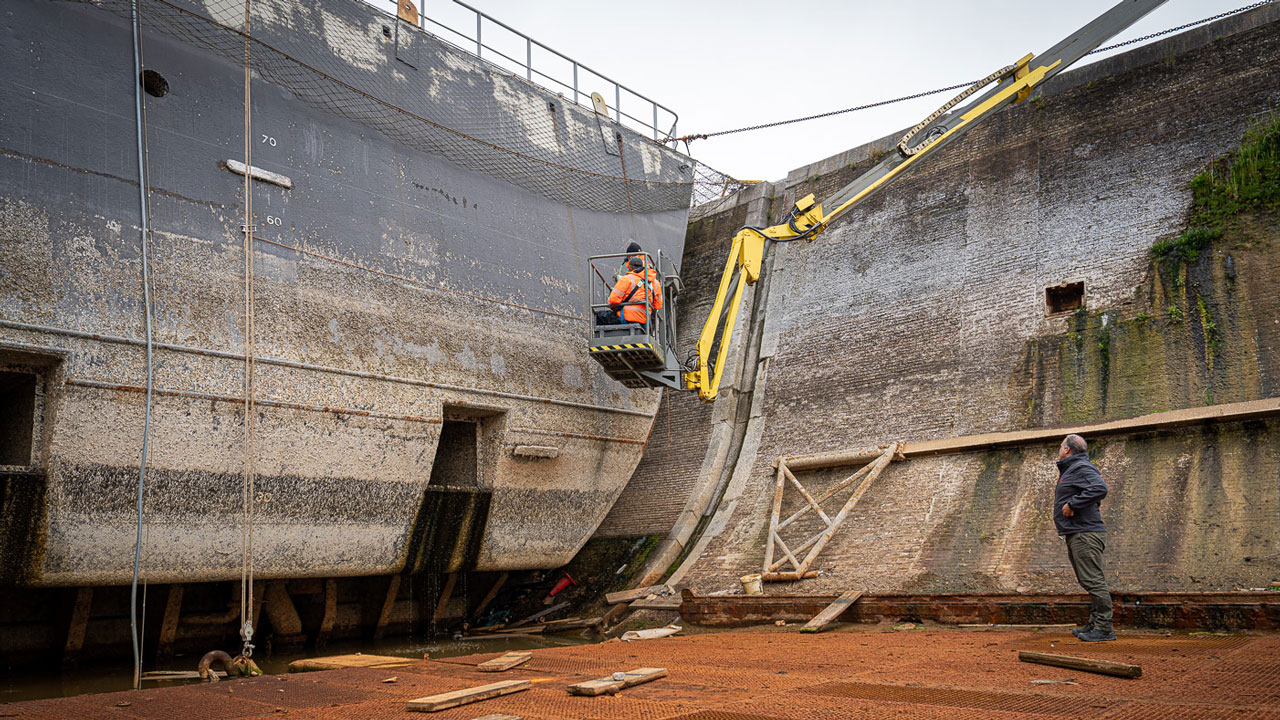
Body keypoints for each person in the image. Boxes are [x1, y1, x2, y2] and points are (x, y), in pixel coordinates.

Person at [1054, 434, 1115, 642]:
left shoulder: (1080, 467)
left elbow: (1100, 488)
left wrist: (1072, 505)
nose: (1059, 449)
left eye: (1061, 446)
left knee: (1093, 580)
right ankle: (1095, 623)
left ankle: (1104, 628)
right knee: (1088, 580)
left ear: (1067, 450)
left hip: (1085, 533)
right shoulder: (1074, 468)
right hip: (1078, 532)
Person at [608, 255, 662, 324]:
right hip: (645, 322)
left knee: (600, 316)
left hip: (626, 318)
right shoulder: (656, 283)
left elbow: (613, 301)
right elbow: (658, 306)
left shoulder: (626, 279)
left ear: (630, 267)